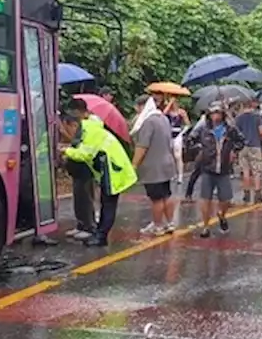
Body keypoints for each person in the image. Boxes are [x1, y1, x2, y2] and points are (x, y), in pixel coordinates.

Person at [59, 109, 136, 247]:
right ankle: (99, 234)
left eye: (67, 129)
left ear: (73, 125)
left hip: (113, 170)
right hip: (110, 169)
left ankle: (101, 237)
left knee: (108, 205)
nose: (68, 134)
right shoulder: (90, 129)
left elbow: (85, 154)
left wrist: (66, 150)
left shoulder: (89, 132)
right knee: (105, 203)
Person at [186, 103, 244, 238]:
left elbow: (241, 140)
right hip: (207, 168)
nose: (215, 116)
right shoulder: (203, 129)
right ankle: (205, 226)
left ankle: (221, 215)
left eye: (218, 113)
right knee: (205, 199)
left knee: (226, 199)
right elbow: (190, 140)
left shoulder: (230, 129)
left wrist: (234, 151)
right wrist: (200, 149)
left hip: (223, 169)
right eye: (213, 113)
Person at [131, 94, 177, 236]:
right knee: (166, 195)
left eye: (138, 107)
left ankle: (157, 226)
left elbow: (142, 146)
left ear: (142, 106)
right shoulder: (163, 118)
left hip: (153, 166)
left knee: (156, 198)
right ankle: (169, 223)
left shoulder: (148, 122)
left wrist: (134, 165)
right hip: (167, 163)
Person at [62, 98, 103, 241]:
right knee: (78, 196)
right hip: (77, 166)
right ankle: (80, 224)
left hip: (86, 166)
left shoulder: (91, 125)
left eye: (75, 112)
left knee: (86, 196)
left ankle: (89, 226)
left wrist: (67, 150)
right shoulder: (83, 124)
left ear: (81, 111)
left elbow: (83, 147)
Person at [232, 99, 262, 202]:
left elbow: (235, 132)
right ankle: (257, 193)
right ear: (252, 105)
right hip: (255, 145)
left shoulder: (238, 118)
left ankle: (246, 194)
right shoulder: (257, 117)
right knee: (256, 171)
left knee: (245, 171)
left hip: (242, 147)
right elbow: (261, 132)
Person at [182, 109, 209, 200]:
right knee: (197, 171)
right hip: (204, 149)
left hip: (217, 150)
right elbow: (193, 134)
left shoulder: (222, 123)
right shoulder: (203, 122)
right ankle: (188, 193)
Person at [164, 98, 189, 184]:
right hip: (168, 134)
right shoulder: (167, 112)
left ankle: (180, 176)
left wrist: (182, 132)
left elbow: (188, 124)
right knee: (170, 155)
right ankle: (172, 174)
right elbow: (163, 114)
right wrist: (169, 103)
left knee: (178, 155)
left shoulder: (181, 112)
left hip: (178, 134)